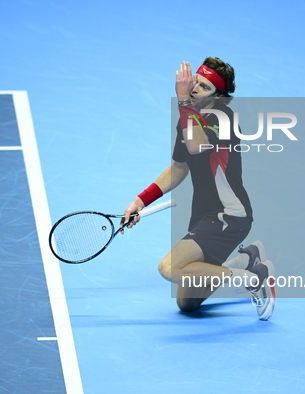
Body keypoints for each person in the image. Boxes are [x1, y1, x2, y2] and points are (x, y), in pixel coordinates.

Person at [121, 58, 275, 320]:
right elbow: (179, 167)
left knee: (169, 268)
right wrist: (141, 200)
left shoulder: (223, 118)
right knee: (187, 303)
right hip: (205, 216)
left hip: (228, 216)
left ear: (219, 95)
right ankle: (247, 259)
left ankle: (254, 279)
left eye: (203, 87)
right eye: (195, 83)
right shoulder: (188, 117)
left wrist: (182, 101)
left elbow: (195, 145)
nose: (194, 90)